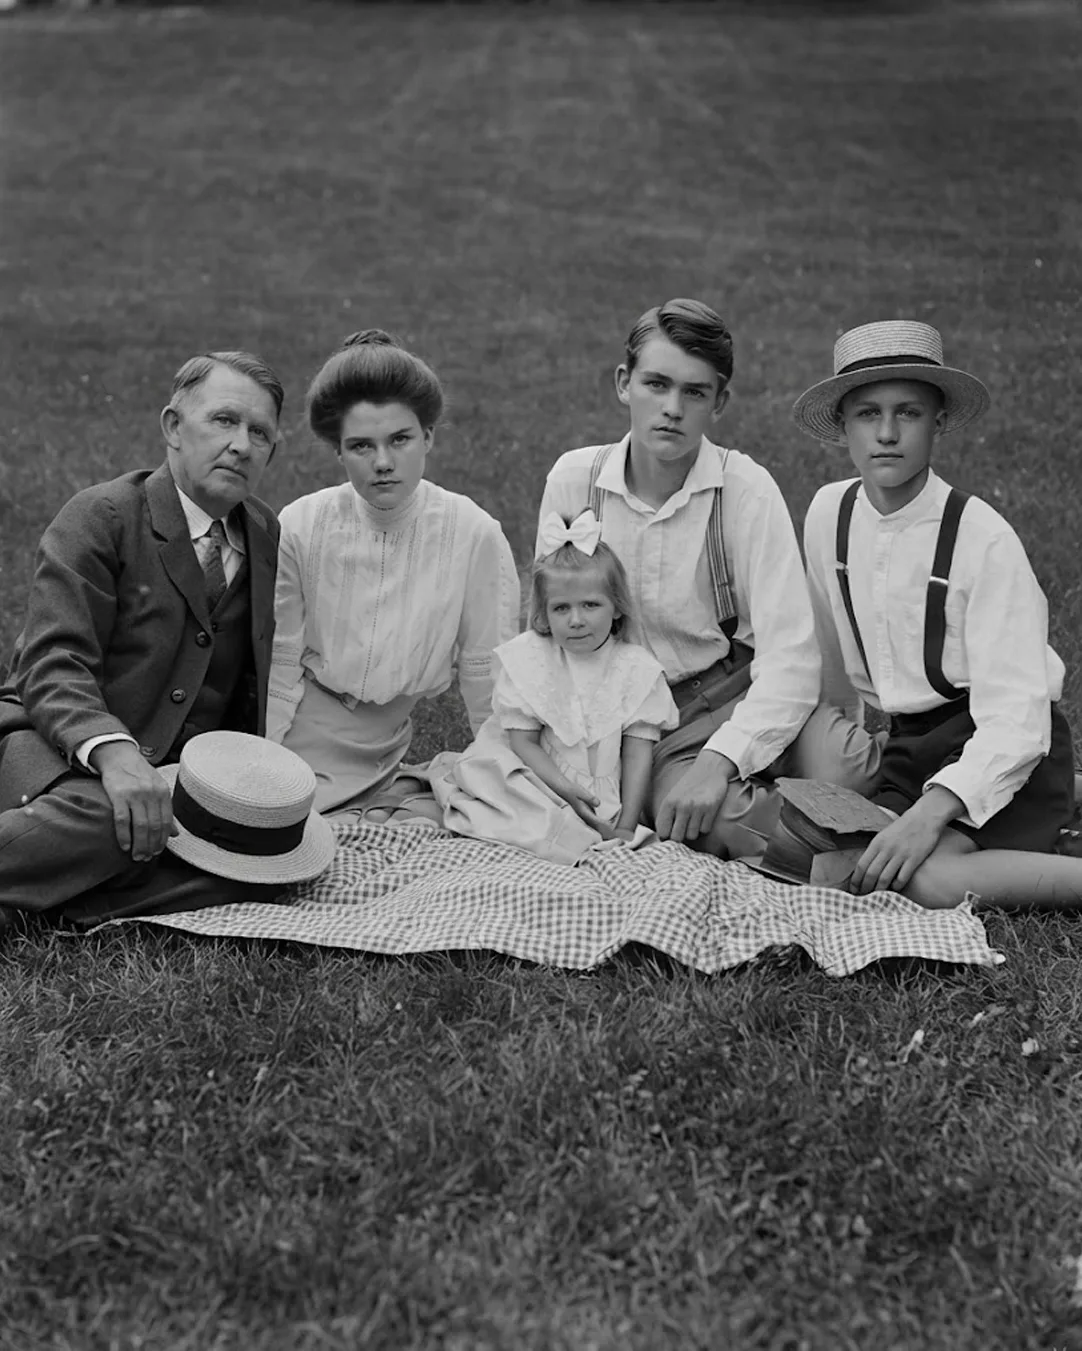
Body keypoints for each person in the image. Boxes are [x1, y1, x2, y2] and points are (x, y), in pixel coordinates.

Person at [536, 298, 862, 860]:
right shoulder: (575, 481)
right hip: (649, 723)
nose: (672, 408)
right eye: (656, 385)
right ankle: (873, 849)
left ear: (720, 402)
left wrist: (723, 758)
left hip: (739, 687)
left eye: (695, 392)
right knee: (705, 822)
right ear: (623, 383)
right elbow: (547, 629)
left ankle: (983, 794)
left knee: (846, 770)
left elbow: (790, 656)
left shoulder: (743, 488)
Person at [795, 319, 1081, 909]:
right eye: (868, 414)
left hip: (999, 739)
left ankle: (1059, 840)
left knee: (925, 881)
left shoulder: (984, 540)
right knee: (830, 862)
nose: (888, 433)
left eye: (910, 413)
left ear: (940, 421)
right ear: (843, 426)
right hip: (910, 750)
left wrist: (930, 814)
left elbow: (1018, 717)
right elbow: (828, 648)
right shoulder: (829, 514)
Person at [0, 350, 285, 932]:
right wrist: (116, 755)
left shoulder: (263, 531)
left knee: (265, 864)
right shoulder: (101, 515)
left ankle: (50, 896)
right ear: (173, 427)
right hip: (57, 745)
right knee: (113, 819)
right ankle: (69, 867)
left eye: (260, 433)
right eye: (224, 420)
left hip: (175, 778)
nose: (241, 444)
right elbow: (51, 662)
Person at [268, 330, 519, 817]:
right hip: (302, 730)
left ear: (428, 436)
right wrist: (265, 761)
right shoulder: (300, 526)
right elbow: (279, 664)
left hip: (388, 742)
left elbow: (487, 671)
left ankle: (401, 792)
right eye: (361, 446)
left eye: (400, 439)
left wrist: (502, 771)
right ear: (337, 451)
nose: (383, 463)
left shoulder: (473, 532)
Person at [428, 510, 679, 863]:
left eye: (591, 605)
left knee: (589, 830)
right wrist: (563, 792)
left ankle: (574, 832)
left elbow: (637, 754)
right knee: (520, 810)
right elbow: (523, 743)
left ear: (617, 607)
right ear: (544, 613)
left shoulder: (636, 670)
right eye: (561, 608)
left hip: (602, 790)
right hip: (538, 777)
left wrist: (627, 821)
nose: (576, 620)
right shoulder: (531, 660)